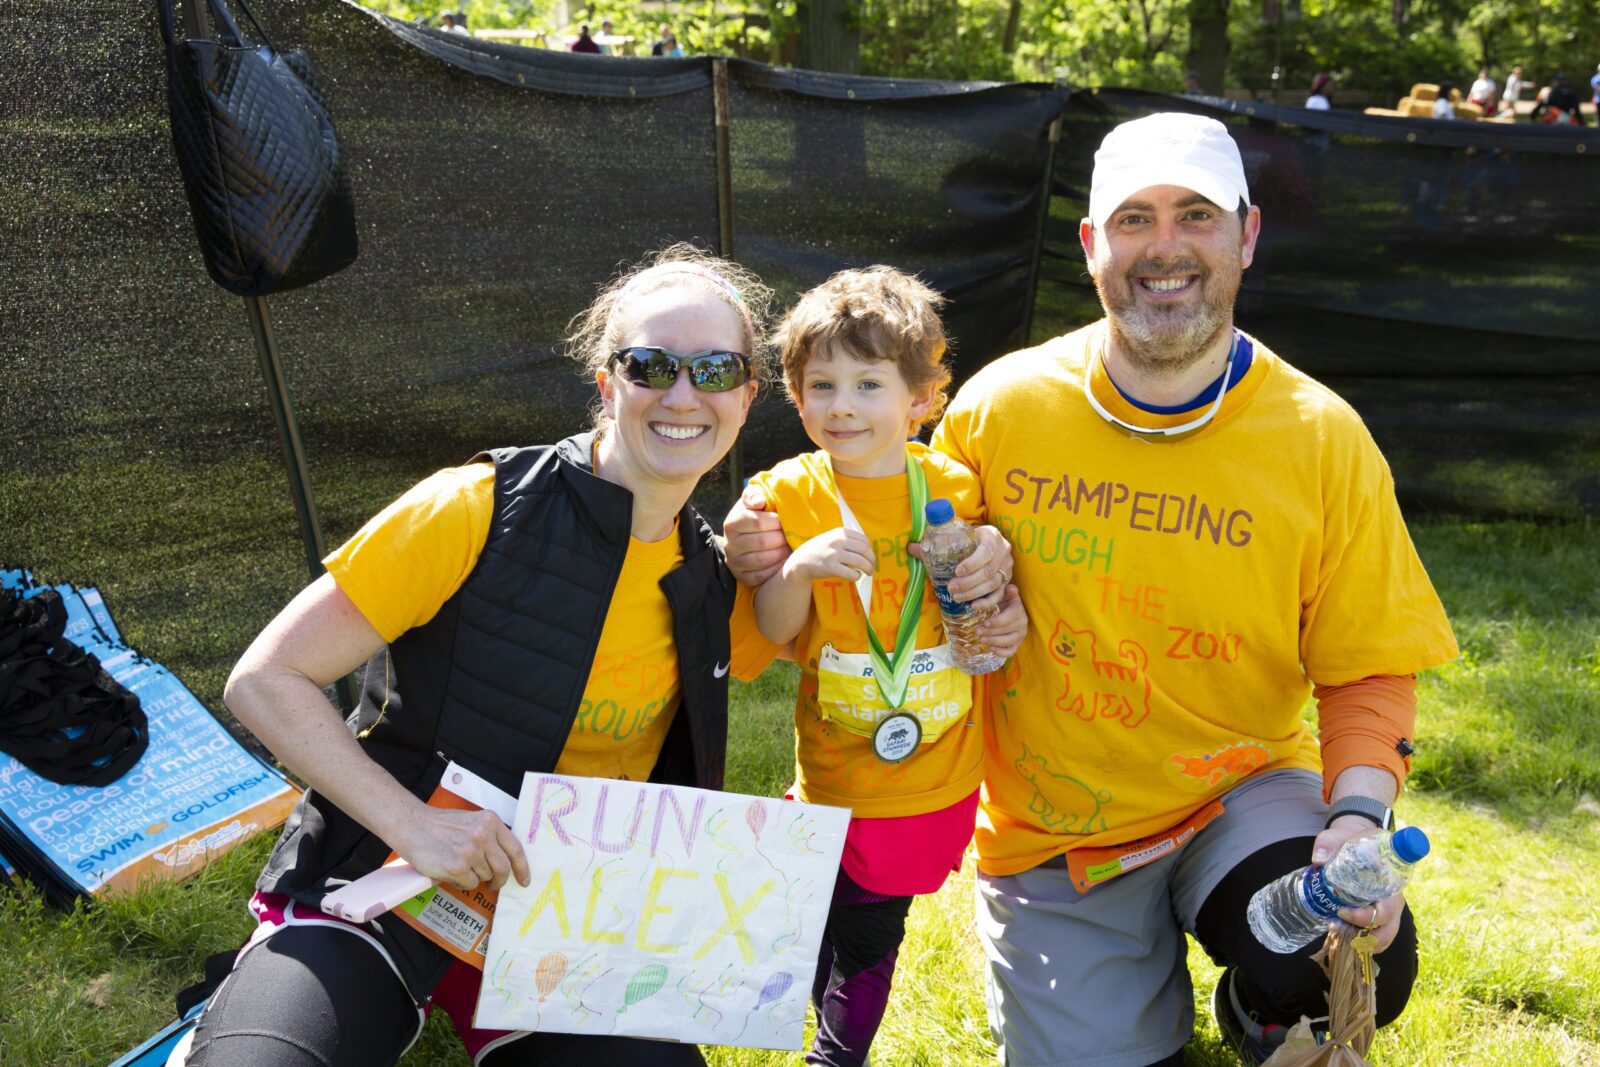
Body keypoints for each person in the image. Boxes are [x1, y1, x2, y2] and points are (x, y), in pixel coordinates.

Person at [724, 112, 1458, 1066]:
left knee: (1340, 949)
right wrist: (772, 533)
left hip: (1238, 791)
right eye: (1134, 219)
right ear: (1091, 246)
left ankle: (1263, 1004)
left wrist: (1357, 820)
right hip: (1051, 830)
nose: (1165, 247)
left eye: (1196, 215)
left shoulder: (1322, 436)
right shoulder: (1005, 403)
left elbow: (1370, 663)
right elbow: (902, 526)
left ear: (1246, 234)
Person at [180, 245, 781, 1067]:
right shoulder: (478, 506)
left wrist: (978, 579)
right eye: (651, 365)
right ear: (607, 383)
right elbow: (264, 679)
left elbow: (860, 604)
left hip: (563, 922)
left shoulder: (713, 581)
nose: (683, 394)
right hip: (387, 879)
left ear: (747, 396)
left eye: (715, 370)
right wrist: (413, 825)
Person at [745, 267, 1026, 1067]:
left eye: (869, 383)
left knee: (870, 933)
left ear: (921, 399)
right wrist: (797, 571)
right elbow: (771, 636)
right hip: (831, 772)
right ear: (796, 397)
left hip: (928, 777)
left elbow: (997, 591)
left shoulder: (953, 486)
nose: (842, 405)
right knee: (823, 923)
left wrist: (991, 571)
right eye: (820, 383)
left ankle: (836, 1057)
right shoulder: (786, 494)